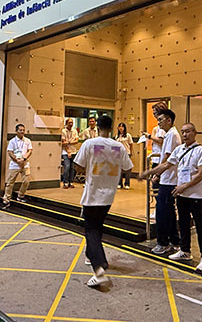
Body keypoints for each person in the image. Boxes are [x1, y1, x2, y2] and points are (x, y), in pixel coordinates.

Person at [73, 115, 133, 288]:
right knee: (97, 227)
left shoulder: (89, 144)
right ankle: (92, 255)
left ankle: (99, 268)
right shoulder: (118, 146)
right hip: (109, 195)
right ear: (112, 127)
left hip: (92, 194)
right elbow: (128, 167)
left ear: (97, 127)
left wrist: (89, 169)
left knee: (90, 230)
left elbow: (78, 165)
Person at [168, 123, 202, 271]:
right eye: (182, 132)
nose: (184, 135)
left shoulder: (201, 150)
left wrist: (184, 186)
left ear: (195, 132)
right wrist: (154, 173)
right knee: (183, 224)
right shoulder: (179, 150)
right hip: (182, 195)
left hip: (195, 196)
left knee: (200, 226)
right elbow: (168, 164)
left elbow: (201, 174)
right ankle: (185, 251)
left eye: (187, 131)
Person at [139, 108, 182, 254]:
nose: (158, 122)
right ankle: (174, 241)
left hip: (169, 180)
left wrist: (156, 173)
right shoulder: (170, 134)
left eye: (161, 119)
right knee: (168, 212)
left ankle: (163, 243)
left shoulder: (172, 135)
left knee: (162, 212)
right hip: (167, 178)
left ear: (169, 120)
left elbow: (167, 158)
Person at [2, 123, 33, 207]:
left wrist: (24, 159)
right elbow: (10, 152)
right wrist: (17, 160)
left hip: (25, 164)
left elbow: (30, 151)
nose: (22, 132)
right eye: (20, 130)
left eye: (23, 130)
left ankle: (21, 196)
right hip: (14, 164)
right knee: (10, 182)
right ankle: (6, 198)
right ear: (16, 131)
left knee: (26, 181)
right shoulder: (12, 141)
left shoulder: (27, 141)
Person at [60, 118, 79, 189]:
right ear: (66, 123)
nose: (71, 124)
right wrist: (68, 151)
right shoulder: (63, 131)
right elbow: (63, 143)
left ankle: (71, 182)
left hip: (74, 151)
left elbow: (76, 141)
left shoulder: (74, 131)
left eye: (72, 122)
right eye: (69, 123)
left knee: (72, 168)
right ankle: (65, 182)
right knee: (67, 167)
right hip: (65, 152)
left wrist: (69, 142)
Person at [115, 122, 134, 189]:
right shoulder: (117, 136)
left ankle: (127, 183)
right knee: (119, 169)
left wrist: (131, 152)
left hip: (126, 153)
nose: (121, 128)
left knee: (127, 169)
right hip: (119, 154)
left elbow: (131, 144)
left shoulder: (128, 135)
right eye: (119, 126)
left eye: (122, 126)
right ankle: (119, 183)